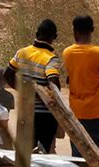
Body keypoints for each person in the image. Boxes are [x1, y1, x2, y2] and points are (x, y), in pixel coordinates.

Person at [62, 15, 99, 157]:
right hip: (97, 110)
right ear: (92, 30)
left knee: (79, 151)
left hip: (76, 111)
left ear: (74, 31)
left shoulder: (67, 53)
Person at [11, 20, 63, 152]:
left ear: (36, 34)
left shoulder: (21, 53)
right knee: (43, 152)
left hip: (24, 111)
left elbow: (7, 75)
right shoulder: (51, 58)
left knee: (25, 151)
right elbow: (53, 82)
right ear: (55, 37)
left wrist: (25, 91)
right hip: (44, 114)